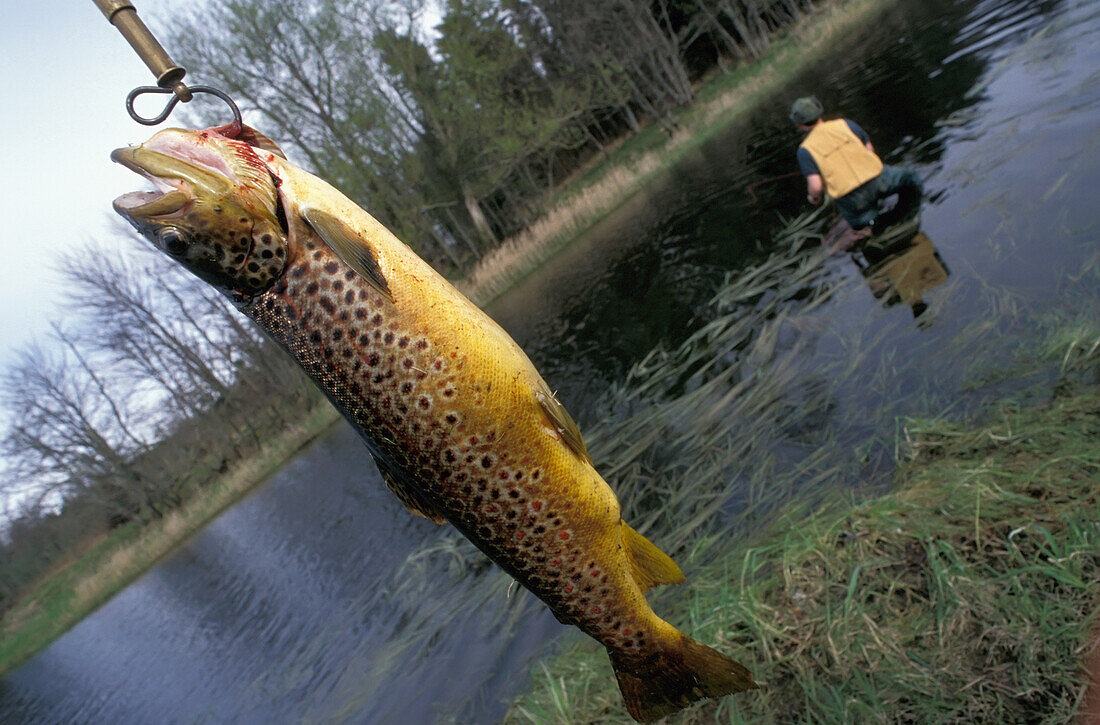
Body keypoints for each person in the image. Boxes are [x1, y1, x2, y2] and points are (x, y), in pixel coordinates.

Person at [790, 96, 923, 234]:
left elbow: (816, 186)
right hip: (879, 179)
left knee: (864, 223)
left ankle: (875, 225)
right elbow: (869, 150)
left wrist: (814, 198)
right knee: (910, 179)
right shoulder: (845, 124)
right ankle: (903, 216)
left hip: (851, 199)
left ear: (799, 124)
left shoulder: (805, 150)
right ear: (819, 113)